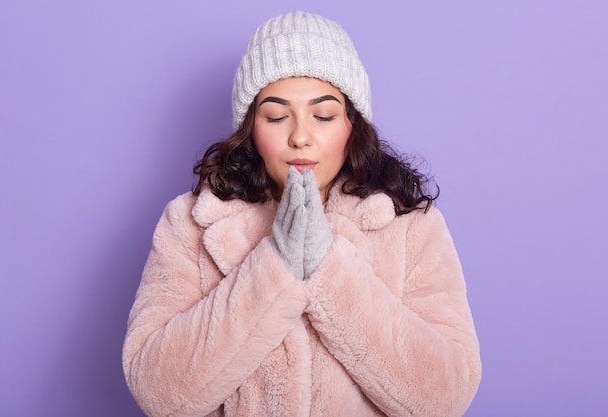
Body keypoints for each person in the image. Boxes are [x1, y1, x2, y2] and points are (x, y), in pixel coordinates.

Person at [123, 10, 481, 417]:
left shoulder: (410, 224)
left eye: (323, 115)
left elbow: (446, 396)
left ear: (352, 124)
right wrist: (276, 265)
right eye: (276, 116)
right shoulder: (190, 221)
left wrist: (328, 267)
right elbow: (158, 392)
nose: (300, 136)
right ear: (251, 129)